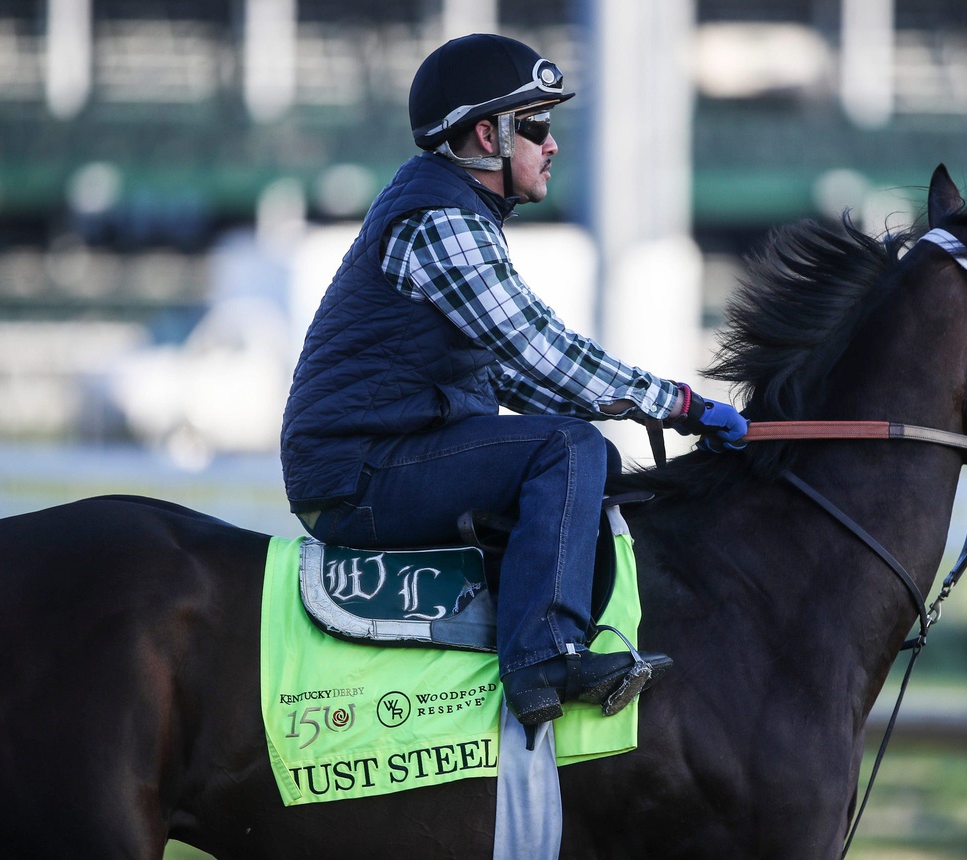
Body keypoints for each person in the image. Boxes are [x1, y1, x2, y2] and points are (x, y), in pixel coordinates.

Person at [280, 33, 748, 728]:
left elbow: (512, 377)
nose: (551, 144)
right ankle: (544, 661)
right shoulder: (440, 220)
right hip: (359, 474)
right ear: (484, 134)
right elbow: (539, 349)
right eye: (535, 127)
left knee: (593, 456)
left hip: (384, 454)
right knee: (566, 450)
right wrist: (676, 403)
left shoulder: (454, 213)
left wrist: (649, 417)